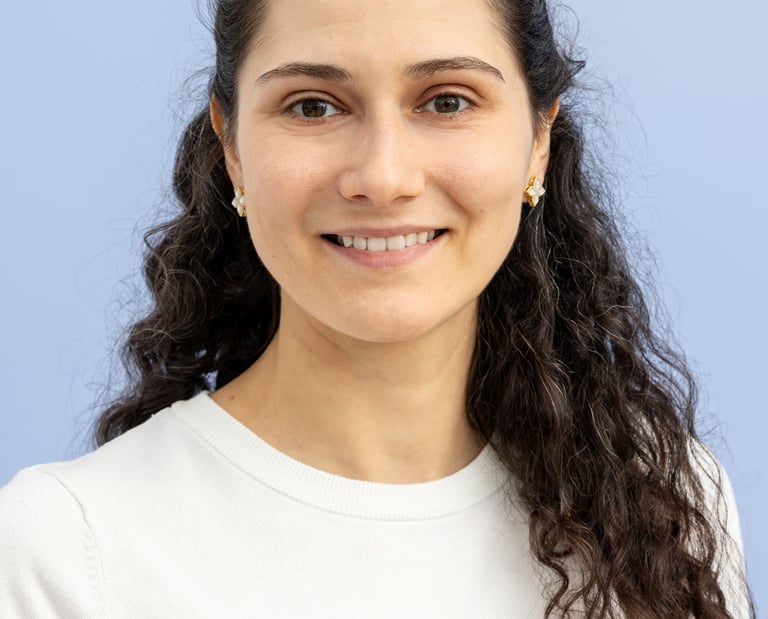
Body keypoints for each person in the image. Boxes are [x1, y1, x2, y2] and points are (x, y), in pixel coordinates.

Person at [0, 0, 754, 616]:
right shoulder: (66, 553)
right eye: (314, 106)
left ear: (538, 140)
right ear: (231, 147)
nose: (384, 177)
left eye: (448, 100)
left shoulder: (671, 505)